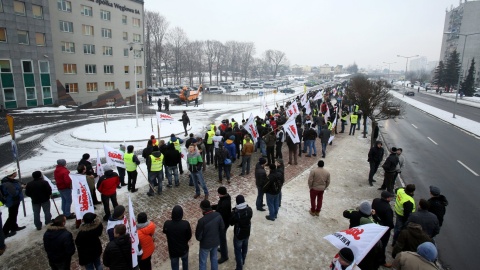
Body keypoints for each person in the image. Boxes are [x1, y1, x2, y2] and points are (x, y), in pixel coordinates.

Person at [195, 200, 224, 270]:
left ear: (203, 209)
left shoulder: (201, 221)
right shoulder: (218, 215)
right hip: (215, 242)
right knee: (214, 259)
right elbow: (222, 228)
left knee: (203, 262)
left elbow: (198, 237)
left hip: (205, 245)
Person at [163, 205, 192, 270]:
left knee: (175, 266)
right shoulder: (185, 224)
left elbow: (165, 231)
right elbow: (189, 236)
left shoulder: (167, 224)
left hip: (173, 251)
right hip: (184, 249)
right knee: (185, 263)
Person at [372, 191, 395, 268]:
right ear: (388, 198)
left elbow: (373, 211)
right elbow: (389, 223)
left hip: (375, 225)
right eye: (390, 197)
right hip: (383, 229)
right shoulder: (388, 209)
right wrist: (391, 227)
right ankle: (381, 260)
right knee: (382, 246)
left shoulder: (375, 200)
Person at [229, 195, 253, 270]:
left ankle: (239, 267)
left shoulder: (236, 213)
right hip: (247, 232)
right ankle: (243, 260)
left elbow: (231, 222)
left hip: (238, 234)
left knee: (238, 250)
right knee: (245, 247)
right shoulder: (249, 209)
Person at [1, 168, 26, 237]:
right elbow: (14, 193)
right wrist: (21, 188)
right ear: (12, 174)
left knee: (14, 214)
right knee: (12, 216)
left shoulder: (11, 181)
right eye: (15, 172)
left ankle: (14, 227)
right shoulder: (8, 183)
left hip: (14, 201)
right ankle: (5, 232)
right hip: (12, 201)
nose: (16, 173)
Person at [211, 187, 231, 264]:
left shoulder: (224, 203)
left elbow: (220, 213)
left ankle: (224, 256)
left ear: (221, 194)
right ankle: (222, 249)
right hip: (224, 222)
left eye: (219, 193)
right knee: (221, 238)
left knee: (222, 239)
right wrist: (212, 207)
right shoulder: (225, 198)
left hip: (223, 224)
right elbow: (219, 206)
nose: (218, 195)